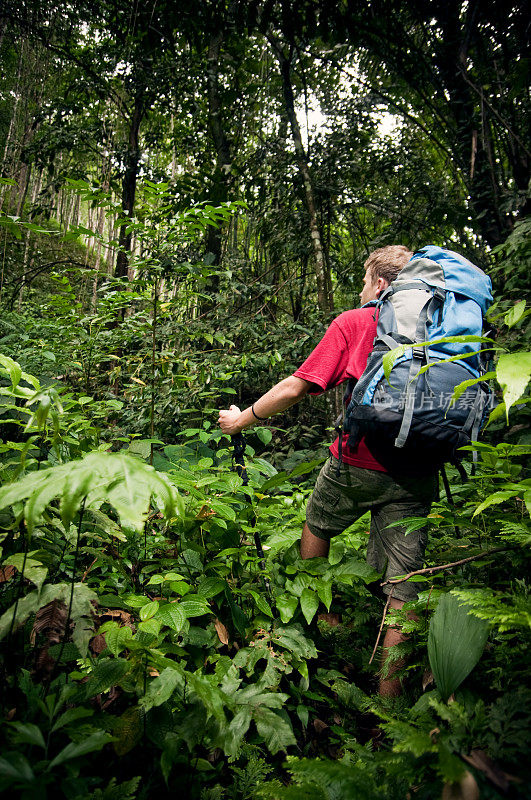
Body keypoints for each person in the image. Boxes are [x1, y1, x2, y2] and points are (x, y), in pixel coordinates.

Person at [218, 245, 437, 697]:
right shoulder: (441, 331)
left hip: (356, 464)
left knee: (317, 524)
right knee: (405, 583)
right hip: (418, 471)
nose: (360, 289)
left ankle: (321, 630)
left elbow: (298, 385)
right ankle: (388, 705)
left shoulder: (356, 322)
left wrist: (243, 419)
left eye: (364, 279)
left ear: (380, 284)